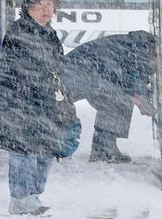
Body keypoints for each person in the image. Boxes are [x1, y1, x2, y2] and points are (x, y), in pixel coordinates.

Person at [0, 0, 67, 215]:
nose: (46, 10)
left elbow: (57, 67)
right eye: (40, 5)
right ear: (28, 7)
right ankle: (21, 199)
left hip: (45, 103)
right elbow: (18, 70)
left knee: (44, 151)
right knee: (23, 151)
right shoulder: (20, 32)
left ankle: (32, 195)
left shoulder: (50, 33)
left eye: (50, 5)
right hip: (21, 102)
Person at [63, 30, 156, 163]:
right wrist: (140, 102)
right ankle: (103, 150)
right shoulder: (138, 51)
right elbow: (111, 85)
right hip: (75, 77)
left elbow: (131, 81)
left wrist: (142, 99)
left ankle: (104, 148)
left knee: (118, 101)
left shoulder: (133, 47)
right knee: (117, 101)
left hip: (80, 74)